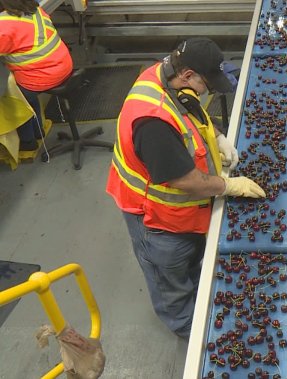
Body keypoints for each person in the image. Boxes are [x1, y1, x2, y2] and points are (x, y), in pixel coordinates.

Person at [106, 37, 266, 338]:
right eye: (206, 83)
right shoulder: (152, 120)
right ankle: (187, 327)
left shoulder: (165, 75)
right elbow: (185, 181)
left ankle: (195, 290)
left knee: (189, 263)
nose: (206, 90)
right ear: (188, 74)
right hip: (156, 220)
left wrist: (217, 136)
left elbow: (190, 110)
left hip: (184, 214)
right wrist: (229, 185)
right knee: (170, 279)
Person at [0, 0, 73, 151]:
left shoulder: (4, 23)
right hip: (63, 65)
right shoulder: (36, 10)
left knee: (15, 97)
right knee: (26, 90)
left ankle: (28, 141)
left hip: (42, 76)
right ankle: (38, 130)